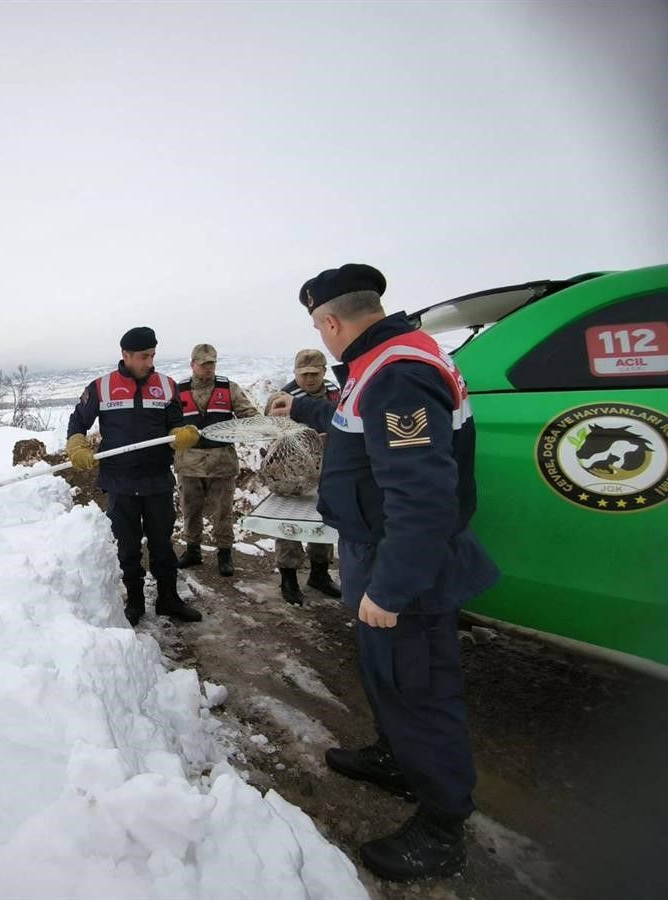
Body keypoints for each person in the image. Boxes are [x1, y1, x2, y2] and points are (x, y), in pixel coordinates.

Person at [269, 263, 499, 882]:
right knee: (388, 677)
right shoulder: (383, 363)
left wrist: (391, 587)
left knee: (421, 690)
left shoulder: (397, 373)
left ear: (331, 320)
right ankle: (397, 757)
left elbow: (423, 498)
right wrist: (304, 409)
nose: (321, 337)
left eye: (319, 326)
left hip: (405, 567)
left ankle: (442, 827)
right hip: (380, 553)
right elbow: (353, 425)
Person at [66, 326, 204, 626]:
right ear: (125, 355)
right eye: (143, 356)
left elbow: (175, 424)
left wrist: (179, 435)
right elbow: (78, 421)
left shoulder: (166, 387)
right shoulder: (102, 387)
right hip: (120, 482)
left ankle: (168, 599)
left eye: (153, 355)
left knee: (162, 544)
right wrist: (76, 444)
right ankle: (136, 601)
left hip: (157, 480)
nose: (149, 362)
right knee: (128, 546)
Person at [174, 343, 259, 576]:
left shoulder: (228, 388)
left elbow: (250, 416)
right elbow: (167, 424)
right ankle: (192, 550)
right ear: (193, 364)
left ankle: (224, 553)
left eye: (211, 363)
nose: (208, 368)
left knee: (223, 512)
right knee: (190, 510)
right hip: (189, 464)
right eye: (203, 364)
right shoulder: (178, 391)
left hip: (221, 463)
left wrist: (241, 428)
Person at [270, 349, 343, 605]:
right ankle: (288, 578)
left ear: (324, 371)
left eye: (314, 373)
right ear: (295, 373)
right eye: (304, 374)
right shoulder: (283, 398)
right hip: (292, 473)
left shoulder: (338, 392)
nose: (309, 379)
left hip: (329, 468)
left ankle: (319, 574)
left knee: (323, 519)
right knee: (288, 524)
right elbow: (272, 435)